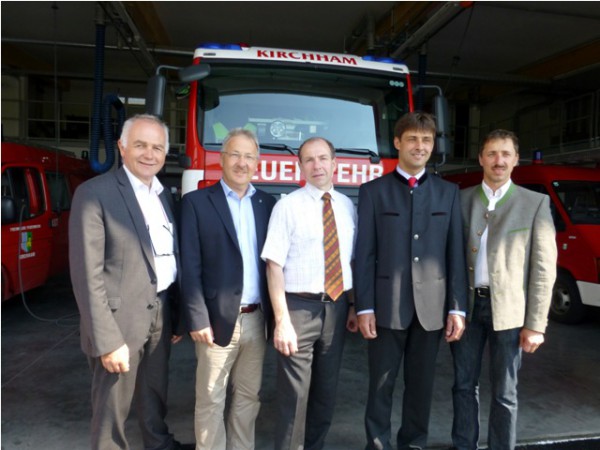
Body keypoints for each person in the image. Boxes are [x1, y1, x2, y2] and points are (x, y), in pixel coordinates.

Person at [69, 114, 186, 449]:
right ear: (121, 147)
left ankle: (158, 443)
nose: (149, 154)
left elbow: (168, 259)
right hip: (118, 321)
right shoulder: (95, 194)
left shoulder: (164, 196)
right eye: (140, 145)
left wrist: (175, 314)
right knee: (111, 408)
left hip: (160, 311)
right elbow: (85, 274)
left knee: (154, 391)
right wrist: (106, 340)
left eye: (157, 147)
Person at [354, 112, 468, 450]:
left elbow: (455, 255)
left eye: (427, 140)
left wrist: (457, 308)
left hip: (432, 310)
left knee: (421, 388)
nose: (420, 146)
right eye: (413, 139)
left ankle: (413, 445)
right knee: (380, 387)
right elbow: (365, 254)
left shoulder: (448, 193)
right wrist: (364, 307)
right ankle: (377, 445)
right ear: (398, 143)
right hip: (386, 307)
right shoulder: (374, 191)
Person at [451, 129, 557, 450]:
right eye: (492, 154)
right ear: (481, 158)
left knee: (505, 393)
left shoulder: (535, 203)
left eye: (505, 154)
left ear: (515, 160)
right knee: (463, 386)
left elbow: (543, 268)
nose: (499, 160)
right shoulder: (460, 199)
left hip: (510, 313)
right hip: (467, 309)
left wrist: (535, 324)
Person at [179, 128, 276, 450]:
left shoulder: (267, 203)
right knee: (210, 397)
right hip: (216, 321)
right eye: (235, 154)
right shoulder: (196, 202)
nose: (241, 162)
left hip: (257, 319)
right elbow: (189, 266)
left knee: (249, 396)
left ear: (257, 163)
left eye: (249, 156)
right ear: (221, 159)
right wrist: (196, 317)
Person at [261, 137, 358, 450]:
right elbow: (273, 266)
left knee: (325, 393)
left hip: (337, 307)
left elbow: (350, 261)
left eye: (323, 158)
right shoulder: (286, 207)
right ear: (299, 166)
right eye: (309, 160)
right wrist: (282, 321)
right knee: (295, 396)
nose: (317, 166)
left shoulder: (346, 207)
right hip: (298, 309)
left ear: (334, 163)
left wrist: (354, 306)